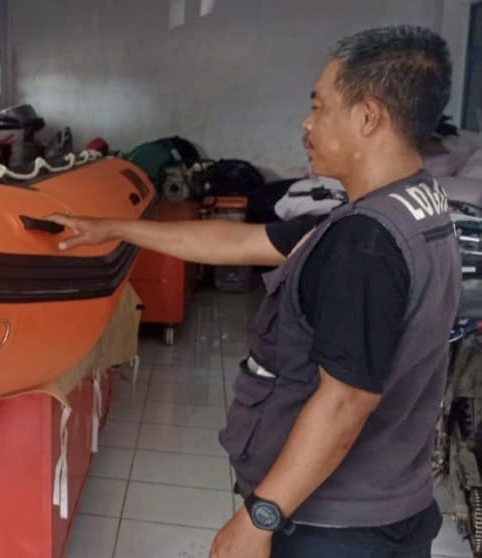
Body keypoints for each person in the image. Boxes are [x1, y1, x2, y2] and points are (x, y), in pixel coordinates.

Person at [46, 25, 460, 558]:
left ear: (367, 116)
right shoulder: (416, 205)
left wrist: (261, 515)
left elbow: (345, 402)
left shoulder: (365, 243)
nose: (307, 123)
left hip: (333, 526)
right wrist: (111, 228)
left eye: (320, 107)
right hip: (392, 503)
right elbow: (239, 241)